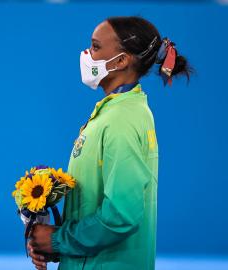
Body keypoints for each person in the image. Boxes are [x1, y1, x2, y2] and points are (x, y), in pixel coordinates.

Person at [27, 16, 193, 270]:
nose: (86, 54)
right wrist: (54, 243)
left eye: (95, 47)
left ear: (121, 60)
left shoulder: (122, 119)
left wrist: (58, 240)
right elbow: (97, 209)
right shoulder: (117, 111)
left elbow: (120, 216)